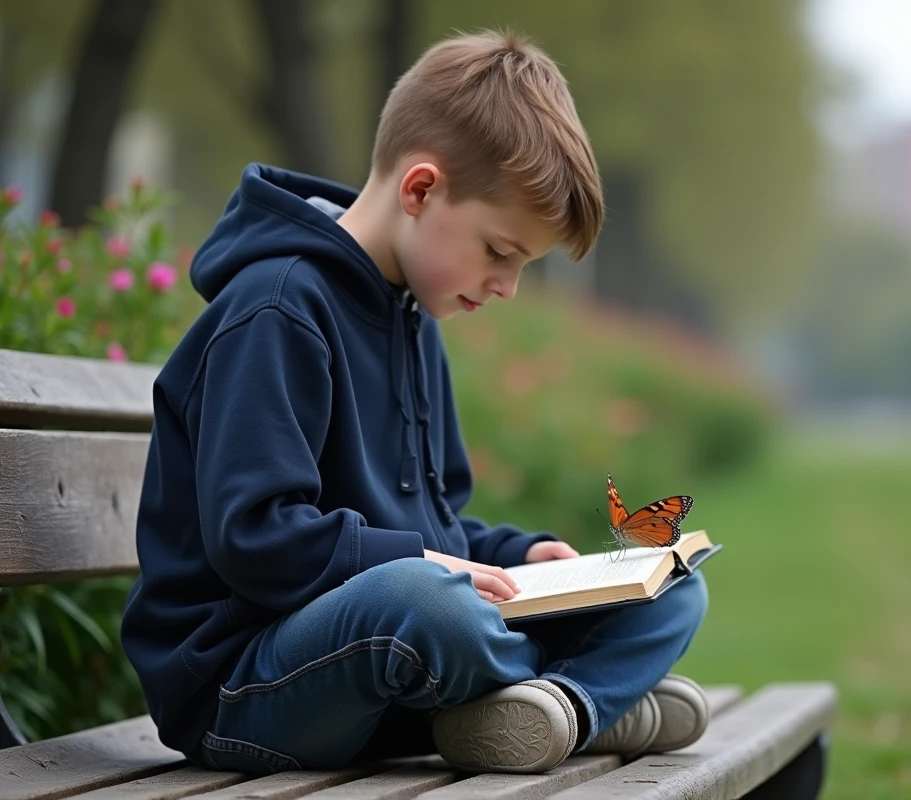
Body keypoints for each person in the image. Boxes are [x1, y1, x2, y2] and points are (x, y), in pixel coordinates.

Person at [120, 29, 709, 776]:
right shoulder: (276, 309)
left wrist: (516, 557)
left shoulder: (413, 316)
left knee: (670, 589)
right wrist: (435, 567)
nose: (506, 286)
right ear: (421, 189)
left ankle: (556, 711)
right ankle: (589, 699)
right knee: (432, 608)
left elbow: (438, 526)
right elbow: (257, 539)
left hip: (382, 668)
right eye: (500, 251)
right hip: (247, 684)